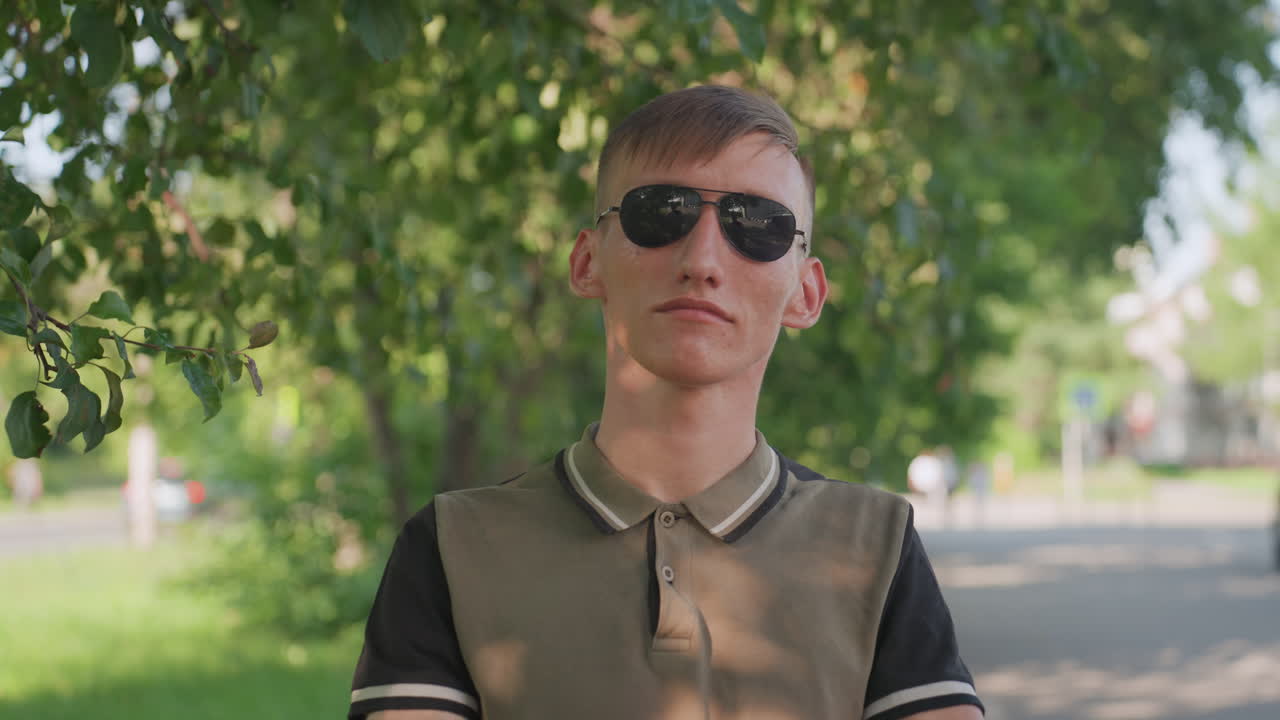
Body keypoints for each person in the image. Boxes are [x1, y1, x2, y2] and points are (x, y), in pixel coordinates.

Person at [349, 85, 984, 720]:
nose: (702, 259)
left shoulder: (873, 546)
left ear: (807, 294)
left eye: (759, 225)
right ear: (586, 261)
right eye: (660, 213)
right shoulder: (453, 547)